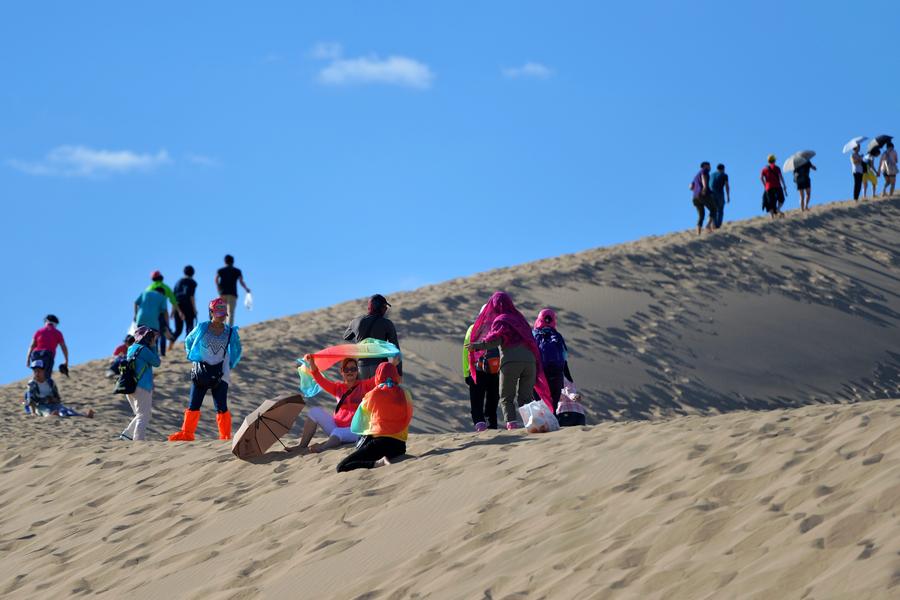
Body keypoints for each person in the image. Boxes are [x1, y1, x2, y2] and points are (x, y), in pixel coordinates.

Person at [466, 292, 552, 430]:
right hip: (530, 362)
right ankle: (531, 425)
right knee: (525, 398)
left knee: (506, 397)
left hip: (511, 362)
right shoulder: (520, 318)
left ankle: (512, 426)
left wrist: (477, 346)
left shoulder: (501, 320)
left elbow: (495, 340)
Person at [168, 298, 243, 441]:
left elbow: (237, 349)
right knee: (194, 404)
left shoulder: (230, 332)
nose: (221, 316)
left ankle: (225, 437)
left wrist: (230, 363)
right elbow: (189, 340)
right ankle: (187, 434)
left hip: (220, 375)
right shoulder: (202, 327)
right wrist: (194, 356)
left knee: (221, 406)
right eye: (218, 313)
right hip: (200, 372)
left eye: (223, 314)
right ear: (211, 312)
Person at [291, 354, 387, 454]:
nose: (350, 371)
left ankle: (323, 448)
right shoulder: (338, 388)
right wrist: (311, 362)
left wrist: (392, 364)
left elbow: (380, 377)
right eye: (346, 369)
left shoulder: (364, 385)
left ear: (357, 371)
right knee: (314, 412)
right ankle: (302, 446)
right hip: (337, 426)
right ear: (341, 371)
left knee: (338, 433)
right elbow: (319, 379)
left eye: (353, 369)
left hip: (356, 430)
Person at [336, 362, 413, 472]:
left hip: (380, 444)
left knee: (341, 467)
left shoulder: (373, 394)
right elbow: (408, 416)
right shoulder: (405, 393)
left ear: (378, 375)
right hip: (400, 447)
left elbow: (361, 419)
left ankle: (378, 463)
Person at [343, 294, 402, 379]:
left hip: (361, 367)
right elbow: (396, 350)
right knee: (379, 392)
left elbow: (346, 336)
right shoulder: (387, 323)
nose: (385, 309)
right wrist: (398, 373)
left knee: (365, 392)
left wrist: (358, 328)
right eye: (384, 306)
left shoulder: (356, 321)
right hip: (380, 368)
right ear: (378, 307)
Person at [120, 327, 160, 441]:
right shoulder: (144, 350)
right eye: (150, 336)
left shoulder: (131, 348)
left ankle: (126, 435)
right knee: (143, 416)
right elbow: (157, 362)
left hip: (130, 386)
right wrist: (153, 346)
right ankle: (138, 442)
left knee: (142, 415)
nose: (151, 339)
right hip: (142, 387)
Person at [532, 309, 575, 412]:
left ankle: (542, 425)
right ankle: (553, 424)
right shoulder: (557, 336)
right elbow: (564, 357)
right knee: (553, 405)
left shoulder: (533, 335)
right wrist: (568, 377)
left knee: (539, 404)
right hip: (556, 375)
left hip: (539, 376)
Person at [463, 317, 500, 431]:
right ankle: (492, 425)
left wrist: (466, 373)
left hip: (477, 369)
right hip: (494, 369)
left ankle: (480, 425)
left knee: (477, 400)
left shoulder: (473, 328)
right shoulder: (497, 327)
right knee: (492, 399)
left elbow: (466, 351)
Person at [24, 359, 94, 418]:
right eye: (34, 371)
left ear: (43, 371)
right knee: (47, 412)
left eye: (38, 371)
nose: (36, 373)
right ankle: (52, 415)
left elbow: (57, 397)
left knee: (66, 410)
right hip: (41, 406)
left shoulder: (50, 382)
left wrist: (54, 399)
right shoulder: (32, 384)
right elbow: (31, 401)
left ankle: (84, 416)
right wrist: (33, 412)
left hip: (53, 404)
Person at [147, 271, 184, 356]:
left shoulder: (149, 288)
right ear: (161, 277)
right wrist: (178, 311)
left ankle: (155, 352)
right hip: (163, 313)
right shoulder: (166, 287)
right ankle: (163, 353)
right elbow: (173, 301)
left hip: (152, 314)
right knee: (163, 332)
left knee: (153, 333)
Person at [26, 315, 68, 380]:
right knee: (46, 376)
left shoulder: (38, 331)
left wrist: (28, 359)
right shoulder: (58, 333)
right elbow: (63, 347)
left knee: (36, 374)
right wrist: (66, 360)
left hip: (35, 354)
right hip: (48, 354)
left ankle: (33, 386)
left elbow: (31, 346)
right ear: (56, 324)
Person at [134, 286, 170, 356]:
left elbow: (135, 303)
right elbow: (165, 312)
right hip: (153, 322)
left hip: (141, 319)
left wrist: (135, 314)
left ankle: (138, 355)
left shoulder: (145, 293)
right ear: (162, 293)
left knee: (140, 339)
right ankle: (153, 356)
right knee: (152, 341)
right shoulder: (162, 297)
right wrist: (167, 324)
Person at [216, 255, 251, 327]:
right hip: (232, 294)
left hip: (222, 293)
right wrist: (246, 289)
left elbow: (216, 279)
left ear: (225, 261)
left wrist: (219, 288)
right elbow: (241, 281)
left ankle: (221, 327)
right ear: (233, 262)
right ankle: (229, 328)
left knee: (222, 311)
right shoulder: (237, 271)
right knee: (230, 312)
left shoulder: (220, 270)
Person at [171, 265, 198, 342]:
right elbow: (191, 297)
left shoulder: (177, 283)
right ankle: (187, 345)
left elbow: (174, 298)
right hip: (188, 306)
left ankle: (169, 346)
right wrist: (195, 310)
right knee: (189, 327)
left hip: (178, 307)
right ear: (193, 273)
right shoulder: (192, 282)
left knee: (178, 330)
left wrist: (172, 311)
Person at [689, 162, 717, 234]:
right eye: (709, 166)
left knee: (701, 215)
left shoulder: (695, 176)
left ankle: (698, 233)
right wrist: (704, 188)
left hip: (695, 197)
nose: (710, 167)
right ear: (705, 166)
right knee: (713, 209)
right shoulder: (704, 171)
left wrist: (696, 189)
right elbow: (703, 177)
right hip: (702, 194)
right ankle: (708, 226)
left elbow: (690, 187)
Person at [709, 164, 731, 228]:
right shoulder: (724, 175)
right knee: (720, 210)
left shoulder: (712, 175)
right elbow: (727, 186)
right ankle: (717, 225)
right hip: (719, 193)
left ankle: (714, 224)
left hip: (711, 194)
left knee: (713, 209)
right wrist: (728, 196)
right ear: (723, 169)